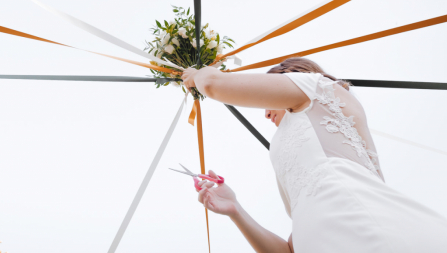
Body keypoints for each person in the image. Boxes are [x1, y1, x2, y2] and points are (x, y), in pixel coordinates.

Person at [181, 57, 447, 253]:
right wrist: (235, 209)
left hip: (361, 226)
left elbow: (215, 85)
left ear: (286, 79)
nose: (264, 112)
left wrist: (199, 74)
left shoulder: (315, 88)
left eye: (266, 97)